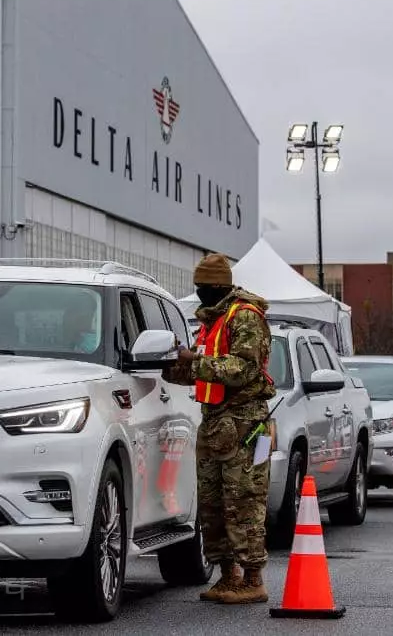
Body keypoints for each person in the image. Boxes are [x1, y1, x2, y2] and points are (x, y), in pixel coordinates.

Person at [163, 253, 277, 605]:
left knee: (243, 501)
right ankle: (229, 575)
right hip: (215, 421)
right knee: (212, 504)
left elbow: (242, 368)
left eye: (204, 288)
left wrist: (193, 361)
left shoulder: (244, 317)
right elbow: (200, 368)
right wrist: (170, 364)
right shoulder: (211, 320)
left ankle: (253, 578)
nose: (200, 294)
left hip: (245, 422)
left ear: (219, 287)